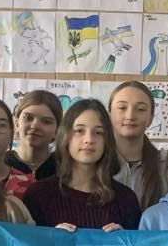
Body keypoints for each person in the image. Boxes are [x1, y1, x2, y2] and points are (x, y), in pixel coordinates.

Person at [22, 99, 142, 231]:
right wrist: (50, 238)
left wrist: (124, 238)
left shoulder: (126, 199)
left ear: (107, 140)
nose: (89, 140)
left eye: (98, 132)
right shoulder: (38, 195)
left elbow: (138, 244)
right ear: (66, 136)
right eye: (79, 131)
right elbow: (25, 242)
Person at [109, 80, 165, 210]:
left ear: (151, 118)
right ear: (109, 114)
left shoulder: (165, 165)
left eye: (140, 109)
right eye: (122, 108)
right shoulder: (94, 162)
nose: (130, 116)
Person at [7, 89, 60, 185]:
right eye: (28, 118)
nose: (35, 126)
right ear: (16, 123)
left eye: (46, 121)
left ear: (57, 130)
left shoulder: (64, 169)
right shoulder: (1, 164)